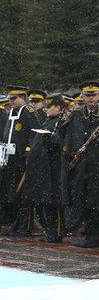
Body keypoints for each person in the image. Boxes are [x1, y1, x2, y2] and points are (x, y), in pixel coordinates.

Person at [59, 81, 99, 248]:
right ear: (82, 97)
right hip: (82, 165)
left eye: (94, 95)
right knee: (83, 201)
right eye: (87, 95)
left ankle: (97, 237)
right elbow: (67, 136)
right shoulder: (76, 114)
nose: (91, 99)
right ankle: (89, 235)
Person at [22, 94, 67, 242]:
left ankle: (56, 232)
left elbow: (62, 144)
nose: (46, 109)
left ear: (58, 107)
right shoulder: (49, 121)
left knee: (54, 202)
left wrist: (53, 139)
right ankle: (49, 231)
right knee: (45, 202)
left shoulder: (61, 122)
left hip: (54, 168)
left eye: (49, 106)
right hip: (43, 169)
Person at [0, 85, 38, 236]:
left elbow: (35, 134)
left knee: (23, 194)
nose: (11, 101)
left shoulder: (27, 113)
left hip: (23, 159)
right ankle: (16, 223)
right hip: (10, 159)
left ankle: (26, 226)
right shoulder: (12, 113)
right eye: (9, 99)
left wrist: (29, 153)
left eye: (14, 98)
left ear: (22, 98)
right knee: (12, 193)